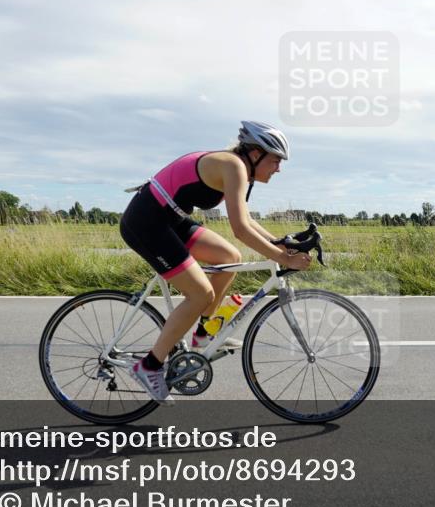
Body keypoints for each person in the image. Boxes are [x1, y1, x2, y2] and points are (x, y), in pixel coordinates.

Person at [119, 121, 312, 404]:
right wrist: (282, 258)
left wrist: (277, 242)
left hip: (171, 220)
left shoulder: (240, 171)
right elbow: (240, 229)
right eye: (275, 160)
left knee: (230, 257)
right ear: (256, 153)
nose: (278, 168)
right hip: (147, 222)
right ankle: (149, 366)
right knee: (200, 294)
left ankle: (203, 334)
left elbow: (246, 219)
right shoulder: (233, 166)